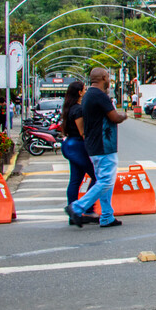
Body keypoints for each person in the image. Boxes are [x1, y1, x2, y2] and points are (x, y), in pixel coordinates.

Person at [65, 67, 128, 228]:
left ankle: (107, 216)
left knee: (104, 180)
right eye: (108, 77)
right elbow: (114, 117)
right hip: (104, 144)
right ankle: (77, 207)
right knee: (106, 181)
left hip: (94, 144)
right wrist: (123, 115)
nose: (109, 80)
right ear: (103, 77)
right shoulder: (100, 96)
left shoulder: (87, 96)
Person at [60, 81, 98, 224]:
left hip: (70, 145)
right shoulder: (78, 110)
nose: (86, 91)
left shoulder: (69, 108)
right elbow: (83, 132)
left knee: (75, 180)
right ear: (80, 92)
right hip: (78, 146)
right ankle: (85, 209)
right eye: (84, 89)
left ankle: (74, 214)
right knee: (98, 176)